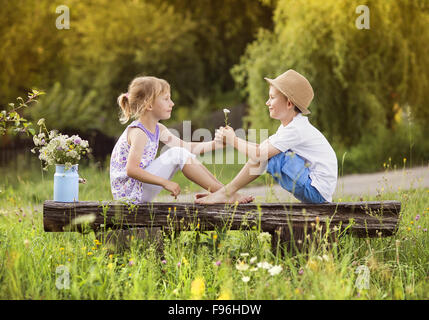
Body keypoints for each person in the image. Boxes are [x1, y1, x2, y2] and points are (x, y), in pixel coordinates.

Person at [196, 69, 337, 204]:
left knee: (266, 155)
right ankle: (226, 192)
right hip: (314, 188)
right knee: (265, 151)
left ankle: (226, 193)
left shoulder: (295, 129)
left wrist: (233, 140)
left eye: (272, 98)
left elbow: (260, 154)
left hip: (315, 190)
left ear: (289, 103)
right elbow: (260, 149)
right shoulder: (291, 126)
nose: (267, 103)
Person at [110, 75, 253, 203]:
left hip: (139, 190)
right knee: (177, 154)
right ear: (149, 104)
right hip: (129, 194)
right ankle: (226, 194)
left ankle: (225, 193)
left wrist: (215, 144)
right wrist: (165, 182)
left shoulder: (158, 129)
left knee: (182, 153)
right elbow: (131, 170)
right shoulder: (138, 132)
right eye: (166, 99)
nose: (171, 103)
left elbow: (186, 147)